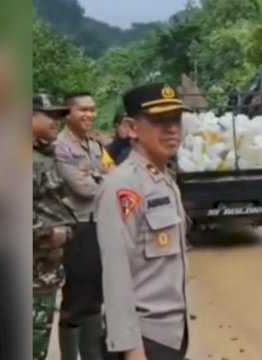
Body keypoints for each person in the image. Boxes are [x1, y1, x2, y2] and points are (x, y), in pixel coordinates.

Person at [96, 83, 190, 360]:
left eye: (175, 119)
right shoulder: (123, 185)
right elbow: (115, 273)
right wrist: (131, 349)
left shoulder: (164, 180)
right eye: (159, 120)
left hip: (171, 333)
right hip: (144, 340)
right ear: (132, 128)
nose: (171, 129)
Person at [54, 92, 110, 360]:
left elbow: (115, 176)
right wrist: (101, 180)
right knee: (76, 296)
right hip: (78, 227)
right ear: (68, 114)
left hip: (101, 224)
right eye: (83, 110)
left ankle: (92, 355)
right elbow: (83, 188)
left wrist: (98, 177)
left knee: (95, 295)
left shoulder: (96, 145)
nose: (89, 114)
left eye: (92, 109)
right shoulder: (61, 147)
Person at [32, 94, 77, 360]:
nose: (57, 122)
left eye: (60, 117)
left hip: (44, 273)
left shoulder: (42, 155)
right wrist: (50, 232)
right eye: (50, 116)